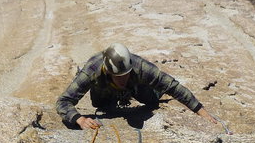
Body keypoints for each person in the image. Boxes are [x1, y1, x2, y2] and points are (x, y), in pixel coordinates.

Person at [56, 43, 220, 130]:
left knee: (151, 101)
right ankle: (112, 96)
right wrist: (79, 119)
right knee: (100, 104)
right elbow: (63, 102)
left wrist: (203, 114)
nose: (122, 79)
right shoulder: (93, 70)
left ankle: (150, 92)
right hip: (104, 90)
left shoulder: (139, 67)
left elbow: (174, 87)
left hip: (137, 88)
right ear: (107, 71)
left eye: (125, 75)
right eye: (117, 76)